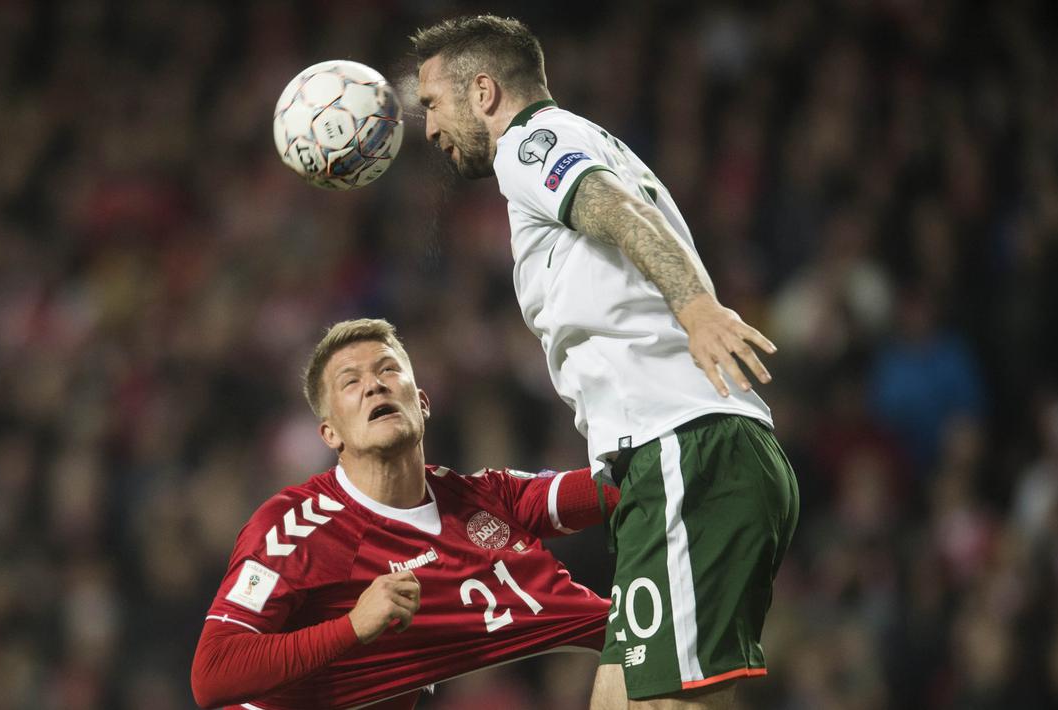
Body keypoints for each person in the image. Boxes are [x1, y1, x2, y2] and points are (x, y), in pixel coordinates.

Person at [411, 16, 800, 709]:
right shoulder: (577, 140)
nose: (428, 125)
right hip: (674, 457)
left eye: (434, 102)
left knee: (663, 703)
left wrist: (696, 308)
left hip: (685, 444)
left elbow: (613, 209)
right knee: (618, 699)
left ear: (484, 91)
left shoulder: (531, 141)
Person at [191, 318, 620, 709]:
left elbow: (618, 489)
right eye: (350, 382)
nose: (375, 385)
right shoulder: (294, 529)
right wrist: (354, 625)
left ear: (422, 401)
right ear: (330, 433)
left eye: (388, 369)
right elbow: (212, 674)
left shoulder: (485, 499)